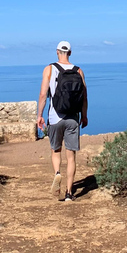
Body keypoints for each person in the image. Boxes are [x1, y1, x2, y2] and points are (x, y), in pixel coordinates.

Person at [37, 41, 88, 201]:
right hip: (73, 118)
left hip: (55, 117)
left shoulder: (50, 69)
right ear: (70, 53)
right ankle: (68, 193)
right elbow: (84, 97)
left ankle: (57, 173)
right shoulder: (78, 70)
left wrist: (40, 115)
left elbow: (43, 95)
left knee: (56, 150)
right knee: (71, 156)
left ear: (57, 52)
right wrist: (84, 115)